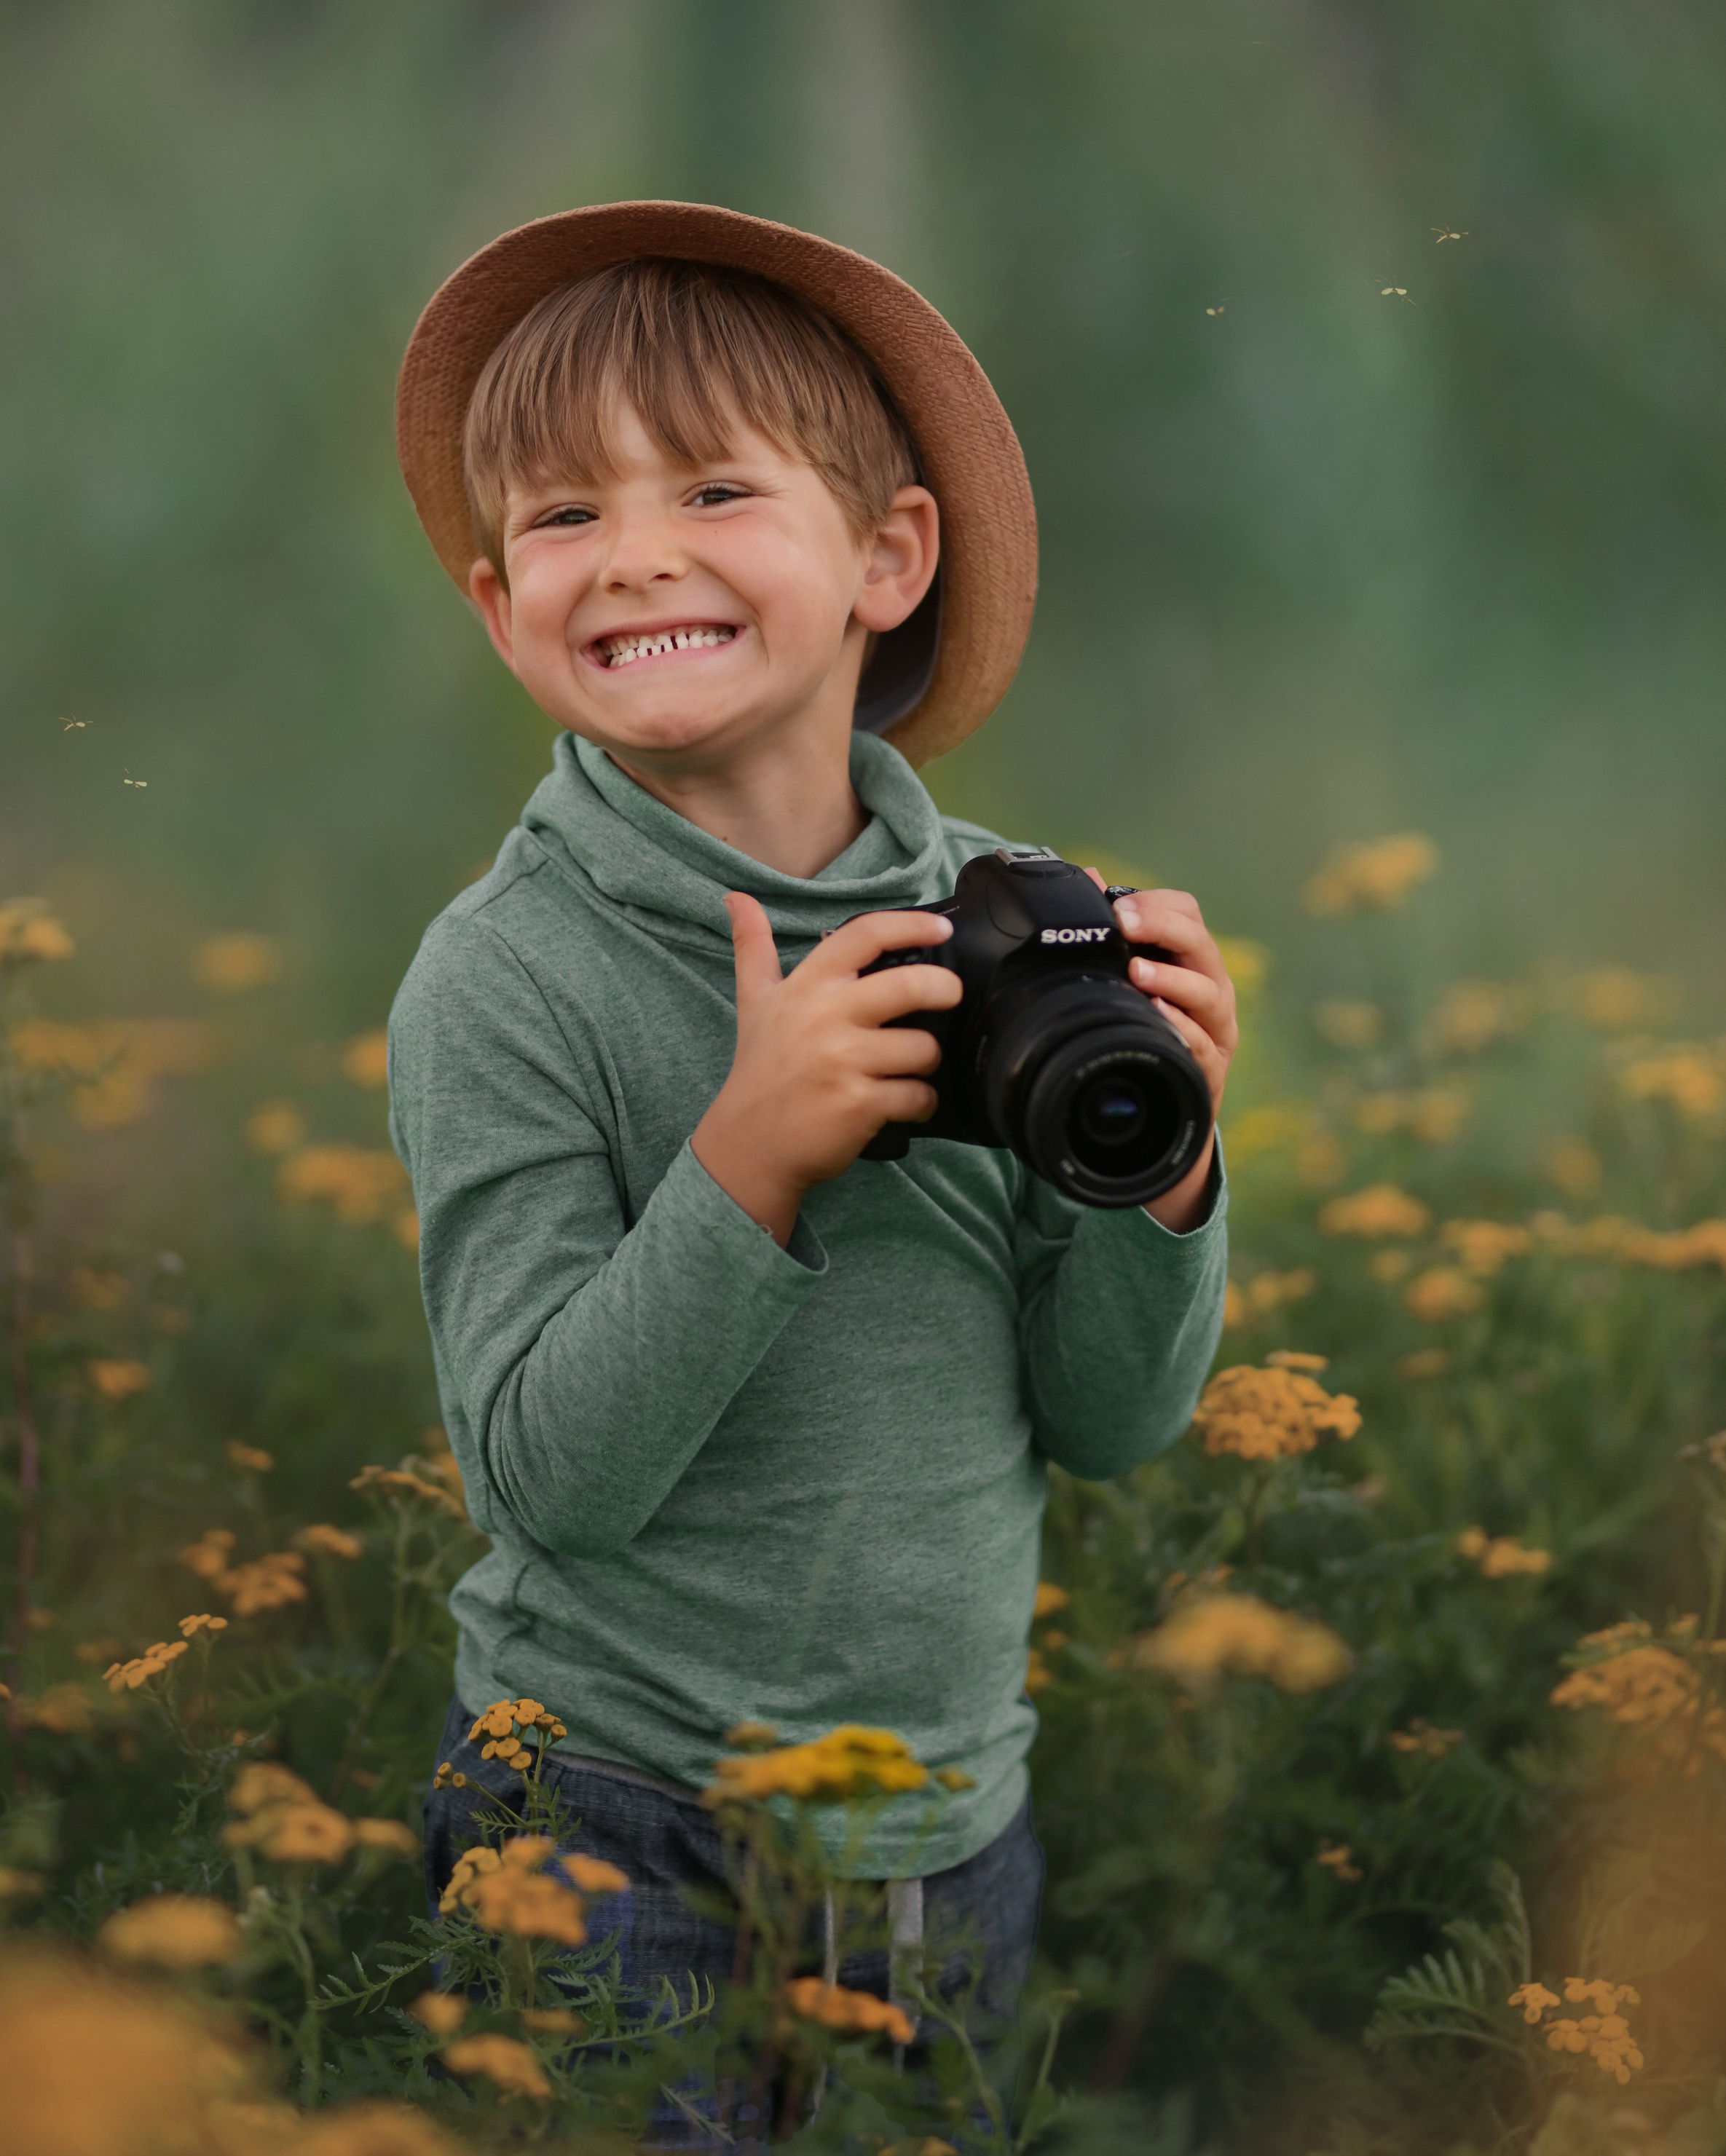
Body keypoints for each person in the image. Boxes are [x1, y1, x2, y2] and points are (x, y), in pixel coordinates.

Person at [388, 201, 1235, 2134]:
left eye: (707, 485)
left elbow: (1109, 1422)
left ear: (886, 553)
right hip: (593, 1793)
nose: (638, 556)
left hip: (940, 1819)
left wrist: (1164, 1155)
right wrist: (746, 1157)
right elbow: (545, 1476)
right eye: (563, 515)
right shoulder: (505, 977)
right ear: (500, 603)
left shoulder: (1011, 937)